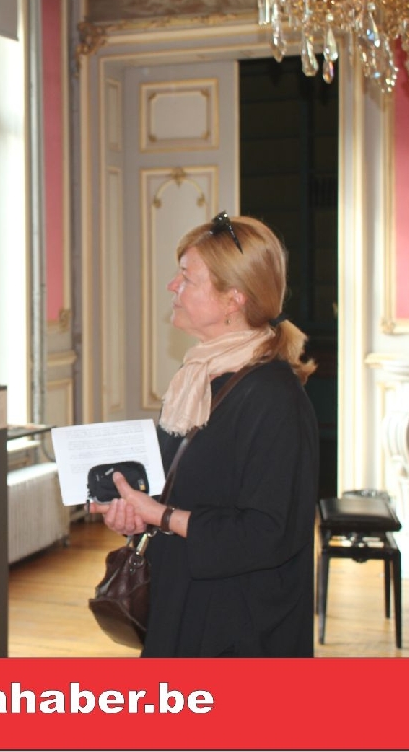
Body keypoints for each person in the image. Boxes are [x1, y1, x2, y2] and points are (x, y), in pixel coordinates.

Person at [91, 212, 319, 657]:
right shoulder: (196, 377)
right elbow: (179, 489)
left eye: (186, 277)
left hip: (240, 628)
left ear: (233, 299)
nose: (171, 286)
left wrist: (162, 517)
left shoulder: (274, 397)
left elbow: (269, 533)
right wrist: (137, 514)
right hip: (182, 602)